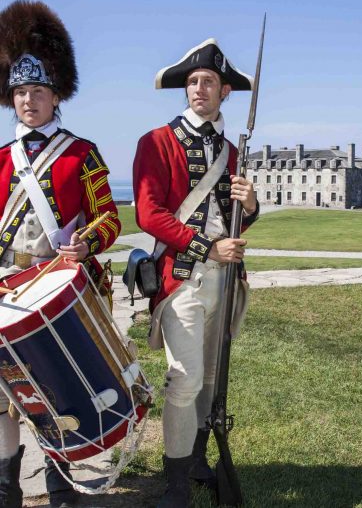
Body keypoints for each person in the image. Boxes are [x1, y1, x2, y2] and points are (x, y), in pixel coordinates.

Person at [0, 0, 121, 508]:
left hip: (60, 288)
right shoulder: (2, 159)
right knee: (3, 398)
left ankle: (58, 485)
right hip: (8, 290)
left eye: (39, 92)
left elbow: (111, 219)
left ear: (56, 98)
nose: (30, 100)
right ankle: (6, 485)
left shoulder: (81, 152)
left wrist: (87, 242)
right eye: (21, 92)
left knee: (56, 389)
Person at [133, 38, 259, 507]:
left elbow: (236, 223)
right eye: (192, 82)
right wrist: (209, 245)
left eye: (208, 82)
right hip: (181, 277)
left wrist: (251, 205)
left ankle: (199, 459)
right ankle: (177, 484)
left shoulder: (231, 149)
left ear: (225, 91)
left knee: (210, 377)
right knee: (184, 378)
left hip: (224, 281)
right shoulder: (157, 142)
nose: (198, 88)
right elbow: (148, 213)